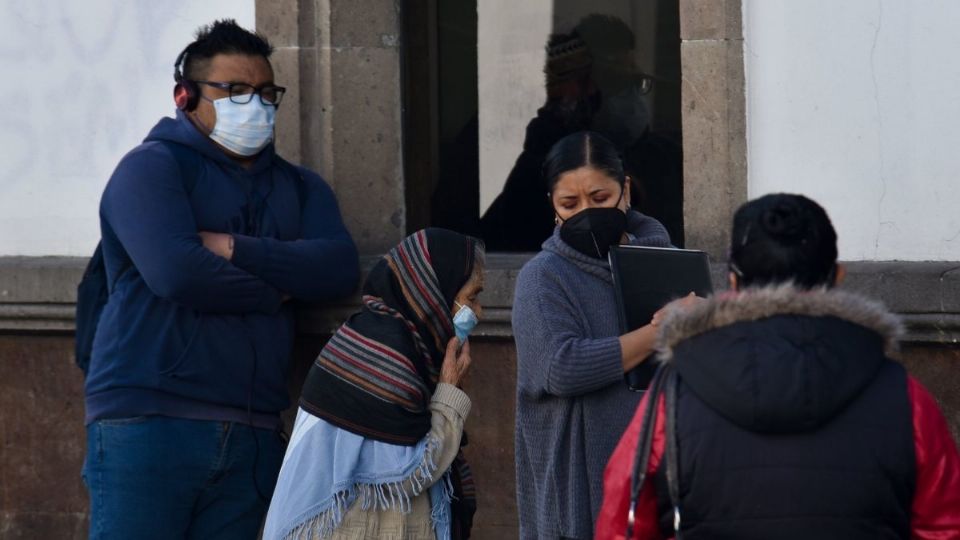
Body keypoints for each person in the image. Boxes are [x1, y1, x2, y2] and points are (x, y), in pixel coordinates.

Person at [81, 19, 359, 539]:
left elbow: (338, 268)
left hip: (254, 430)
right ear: (185, 96)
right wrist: (275, 291)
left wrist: (234, 248)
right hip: (147, 421)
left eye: (265, 92)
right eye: (234, 91)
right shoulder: (151, 169)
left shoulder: (300, 187)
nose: (254, 105)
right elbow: (177, 272)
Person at [595, 194, 960, 539]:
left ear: (734, 281)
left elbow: (622, 522)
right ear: (837, 278)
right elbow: (945, 525)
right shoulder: (903, 397)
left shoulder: (671, 396)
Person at [263, 228, 484, 540]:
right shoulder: (385, 351)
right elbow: (408, 473)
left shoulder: (408, 344)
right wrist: (449, 392)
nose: (478, 312)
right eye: (471, 297)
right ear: (434, 292)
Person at [512, 131, 673, 539]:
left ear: (626, 191)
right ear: (553, 207)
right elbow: (561, 367)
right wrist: (659, 332)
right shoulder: (542, 279)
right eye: (570, 203)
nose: (587, 211)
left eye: (600, 198)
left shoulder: (666, 263)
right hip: (579, 497)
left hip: (660, 478)